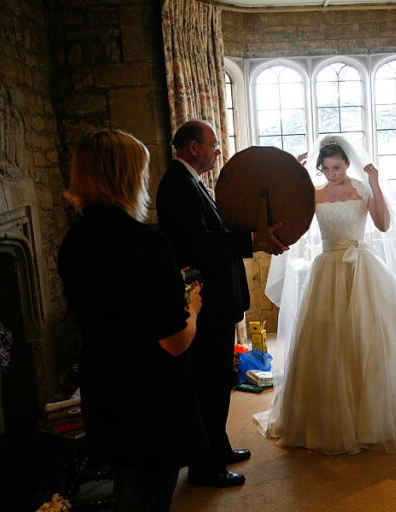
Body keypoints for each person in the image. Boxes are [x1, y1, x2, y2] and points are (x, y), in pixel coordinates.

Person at [254, 135, 396, 455]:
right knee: (327, 339)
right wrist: (294, 172)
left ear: (347, 164)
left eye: (337, 167)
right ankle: (330, 417)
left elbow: (382, 223)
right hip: (328, 268)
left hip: (362, 266)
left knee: (368, 336)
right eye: (325, 169)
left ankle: (374, 415)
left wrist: (375, 183)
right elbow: (287, 213)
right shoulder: (315, 194)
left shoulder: (361, 190)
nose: (332, 173)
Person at [58, 129, 207, 512]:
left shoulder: (74, 242)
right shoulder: (147, 242)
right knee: (149, 498)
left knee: (127, 489)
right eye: (141, 170)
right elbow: (174, 340)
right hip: (150, 396)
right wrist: (192, 307)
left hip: (104, 385)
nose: (145, 178)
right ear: (126, 177)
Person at [155, 120, 287, 488]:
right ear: (193, 147)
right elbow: (198, 244)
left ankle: (219, 445)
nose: (217, 152)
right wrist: (252, 242)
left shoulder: (190, 183)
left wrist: (258, 235)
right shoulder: (176, 185)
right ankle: (205, 466)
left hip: (217, 301)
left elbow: (213, 233)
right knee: (210, 384)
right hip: (205, 302)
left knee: (218, 380)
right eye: (213, 145)